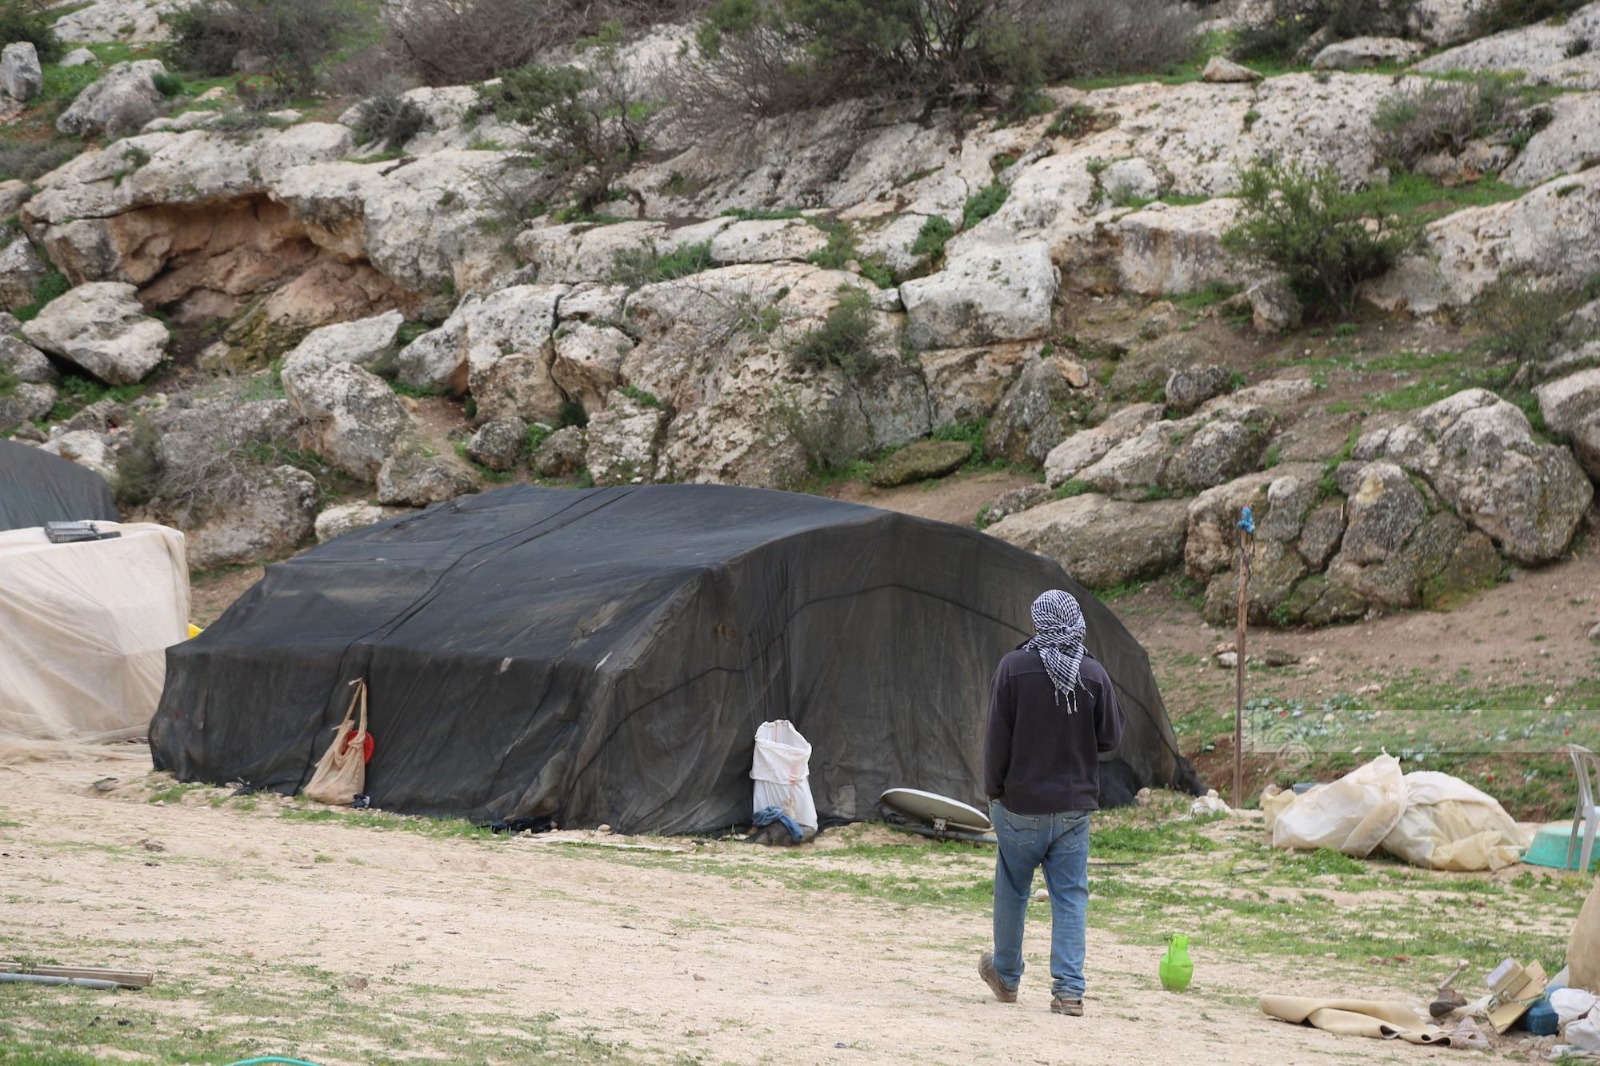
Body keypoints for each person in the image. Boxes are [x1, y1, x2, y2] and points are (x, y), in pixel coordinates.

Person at [978, 588, 1125, 1017]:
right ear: (1077, 622)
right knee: (1070, 897)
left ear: (1038, 621)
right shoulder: (1093, 673)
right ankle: (1068, 992)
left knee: (1012, 888)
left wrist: (993, 792)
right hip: (1074, 810)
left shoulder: (1013, 668)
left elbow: (995, 743)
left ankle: (1005, 977)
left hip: (1019, 805)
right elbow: (1111, 737)